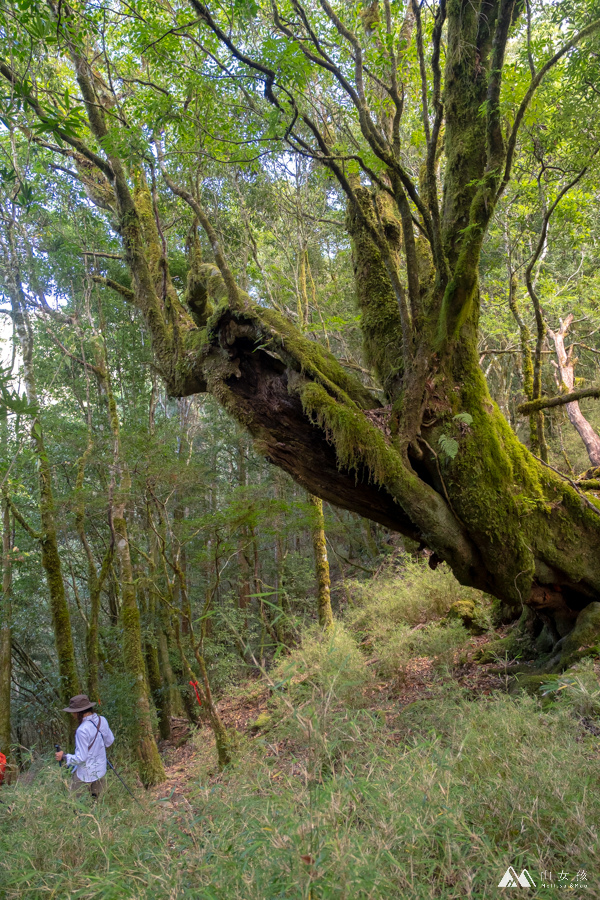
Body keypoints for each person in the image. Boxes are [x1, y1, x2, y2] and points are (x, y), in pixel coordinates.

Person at [55, 694, 114, 799]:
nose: (72, 715)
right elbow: (109, 741)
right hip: (100, 770)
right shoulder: (102, 720)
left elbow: (81, 758)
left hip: (84, 775)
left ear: (78, 712)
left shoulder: (82, 730)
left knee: (75, 803)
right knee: (97, 803)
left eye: (73, 713)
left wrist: (64, 756)